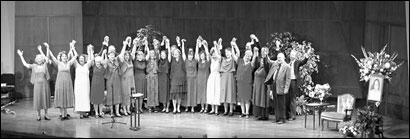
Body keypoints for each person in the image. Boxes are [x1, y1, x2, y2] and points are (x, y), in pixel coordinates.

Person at [16, 44, 52, 121]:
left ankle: (46, 114)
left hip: (45, 85)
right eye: (38, 58)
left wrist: (44, 49)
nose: (39, 59)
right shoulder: (34, 66)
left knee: (45, 98)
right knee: (38, 99)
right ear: (36, 59)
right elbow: (25, 64)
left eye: (40, 58)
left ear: (42, 59)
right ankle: (39, 115)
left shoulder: (45, 65)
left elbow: (47, 58)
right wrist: (21, 56)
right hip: (37, 85)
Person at [49, 40, 78, 121]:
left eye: (65, 56)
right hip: (60, 82)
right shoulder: (58, 63)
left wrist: (72, 48)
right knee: (61, 97)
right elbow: (52, 56)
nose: (64, 57)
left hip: (68, 82)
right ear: (61, 58)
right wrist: (48, 48)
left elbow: (76, 55)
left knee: (66, 97)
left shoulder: (69, 63)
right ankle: (62, 114)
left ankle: (65, 114)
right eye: (63, 56)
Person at [264, 53, 291, 124]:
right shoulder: (275, 64)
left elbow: (288, 79)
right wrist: (265, 55)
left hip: (282, 86)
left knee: (281, 103)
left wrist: (286, 89)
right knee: (275, 102)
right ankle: (277, 118)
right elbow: (269, 61)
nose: (279, 59)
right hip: (274, 85)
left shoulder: (287, 67)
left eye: (280, 58)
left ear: (284, 58)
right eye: (278, 57)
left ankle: (282, 118)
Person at [236, 38, 257, 118]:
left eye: (249, 56)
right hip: (240, 83)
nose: (248, 57)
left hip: (247, 83)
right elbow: (234, 56)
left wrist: (254, 54)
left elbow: (254, 59)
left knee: (247, 98)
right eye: (247, 55)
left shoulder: (251, 64)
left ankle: (247, 112)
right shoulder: (240, 61)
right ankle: (243, 112)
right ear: (244, 55)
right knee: (241, 98)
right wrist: (234, 45)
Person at [286, 49, 309, 121]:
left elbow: (303, 62)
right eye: (291, 55)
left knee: (292, 98)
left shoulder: (297, 62)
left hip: (293, 81)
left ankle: (293, 116)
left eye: (293, 55)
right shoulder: (287, 62)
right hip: (287, 81)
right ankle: (287, 114)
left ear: (295, 56)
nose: (291, 56)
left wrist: (306, 57)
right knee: (287, 98)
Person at [220, 37, 240, 116]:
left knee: (230, 93)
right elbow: (218, 54)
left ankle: (231, 110)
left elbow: (237, 53)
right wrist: (219, 44)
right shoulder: (223, 59)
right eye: (226, 52)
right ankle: (225, 110)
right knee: (224, 93)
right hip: (224, 77)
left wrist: (234, 45)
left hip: (230, 77)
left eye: (229, 52)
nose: (227, 53)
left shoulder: (233, 59)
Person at [73, 45, 94, 119]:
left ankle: (85, 112)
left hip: (85, 84)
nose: (81, 59)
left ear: (84, 59)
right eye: (80, 58)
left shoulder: (87, 65)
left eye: (82, 58)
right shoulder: (76, 65)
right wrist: (72, 48)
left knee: (85, 97)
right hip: (78, 85)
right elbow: (74, 57)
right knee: (79, 97)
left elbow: (91, 59)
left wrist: (90, 50)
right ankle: (81, 113)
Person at [169, 36, 187, 114]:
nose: (175, 54)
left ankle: (178, 108)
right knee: (173, 94)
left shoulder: (182, 59)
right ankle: (174, 108)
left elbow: (183, 53)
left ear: (179, 54)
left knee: (179, 94)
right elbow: (169, 53)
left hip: (181, 79)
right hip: (174, 79)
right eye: (174, 53)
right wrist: (168, 43)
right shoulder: (171, 59)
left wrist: (182, 44)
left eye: (177, 53)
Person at [119, 37, 136, 116]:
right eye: (125, 55)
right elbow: (121, 56)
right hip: (124, 80)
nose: (126, 57)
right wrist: (124, 45)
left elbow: (133, 53)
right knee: (125, 95)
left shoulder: (131, 61)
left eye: (127, 55)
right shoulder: (122, 62)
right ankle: (124, 109)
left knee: (130, 95)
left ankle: (129, 109)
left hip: (131, 80)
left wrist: (134, 44)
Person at [253, 46, 270, 120]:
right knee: (259, 99)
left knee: (263, 99)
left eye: (264, 51)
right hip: (258, 85)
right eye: (262, 51)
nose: (262, 62)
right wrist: (255, 53)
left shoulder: (267, 65)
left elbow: (266, 62)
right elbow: (254, 62)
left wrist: (265, 56)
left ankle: (264, 115)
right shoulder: (259, 67)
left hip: (263, 85)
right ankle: (259, 114)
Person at [105, 45, 123, 117]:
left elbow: (121, 54)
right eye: (110, 55)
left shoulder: (117, 60)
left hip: (117, 80)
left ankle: (117, 111)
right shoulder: (106, 62)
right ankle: (112, 112)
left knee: (117, 95)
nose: (112, 56)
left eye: (113, 55)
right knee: (110, 95)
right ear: (108, 56)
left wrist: (124, 45)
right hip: (109, 80)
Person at [90, 49, 107, 119]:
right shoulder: (93, 66)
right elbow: (91, 60)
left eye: (98, 62)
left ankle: (100, 112)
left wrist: (104, 54)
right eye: (96, 61)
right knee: (95, 99)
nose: (97, 63)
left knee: (100, 99)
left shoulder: (103, 67)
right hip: (94, 85)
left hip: (101, 84)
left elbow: (105, 62)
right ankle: (96, 112)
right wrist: (91, 52)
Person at [195, 37, 211, 113]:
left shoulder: (207, 62)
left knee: (206, 92)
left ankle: (206, 108)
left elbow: (208, 54)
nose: (201, 56)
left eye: (202, 55)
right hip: (199, 78)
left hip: (206, 78)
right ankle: (202, 107)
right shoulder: (199, 62)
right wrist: (197, 43)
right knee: (201, 92)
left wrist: (205, 46)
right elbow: (196, 55)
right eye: (200, 55)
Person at [206, 41, 222, 115]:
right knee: (211, 92)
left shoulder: (219, 60)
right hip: (212, 77)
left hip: (217, 77)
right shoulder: (212, 60)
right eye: (213, 54)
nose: (214, 55)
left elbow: (218, 55)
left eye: (214, 53)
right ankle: (212, 109)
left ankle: (216, 110)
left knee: (216, 92)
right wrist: (205, 45)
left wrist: (215, 46)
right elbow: (207, 54)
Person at [133, 37, 148, 113]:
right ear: (137, 56)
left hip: (143, 78)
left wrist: (146, 44)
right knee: (137, 93)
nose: (140, 56)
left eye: (141, 55)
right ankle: (136, 108)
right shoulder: (135, 61)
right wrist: (135, 44)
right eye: (139, 55)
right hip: (136, 78)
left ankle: (140, 108)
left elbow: (148, 54)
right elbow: (132, 53)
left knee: (142, 94)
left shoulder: (144, 61)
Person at [184, 37, 198, 113]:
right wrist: (182, 44)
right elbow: (182, 53)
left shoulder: (195, 61)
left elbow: (196, 53)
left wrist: (197, 43)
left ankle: (192, 107)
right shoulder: (185, 61)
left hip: (193, 78)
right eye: (189, 55)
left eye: (191, 55)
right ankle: (186, 107)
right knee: (187, 93)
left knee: (192, 92)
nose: (190, 56)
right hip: (187, 78)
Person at [145, 40, 160, 112]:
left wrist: (155, 45)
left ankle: (155, 105)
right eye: (150, 53)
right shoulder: (147, 60)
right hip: (149, 76)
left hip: (155, 76)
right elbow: (147, 56)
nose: (151, 54)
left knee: (155, 90)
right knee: (149, 90)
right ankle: (150, 106)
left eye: (152, 53)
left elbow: (157, 52)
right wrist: (147, 46)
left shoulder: (156, 59)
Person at [158, 36, 171, 113]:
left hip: (166, 78)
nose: (163, 55)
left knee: (167, 93)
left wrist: (168, 43)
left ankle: (167, 107)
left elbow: (169, 52)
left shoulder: (167, 60)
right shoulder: (159, 61)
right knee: (162, 93)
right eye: (162, 54)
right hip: (160, 78)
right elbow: (159, 50)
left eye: (164, 54)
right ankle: (164, 107)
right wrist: (162, 41)